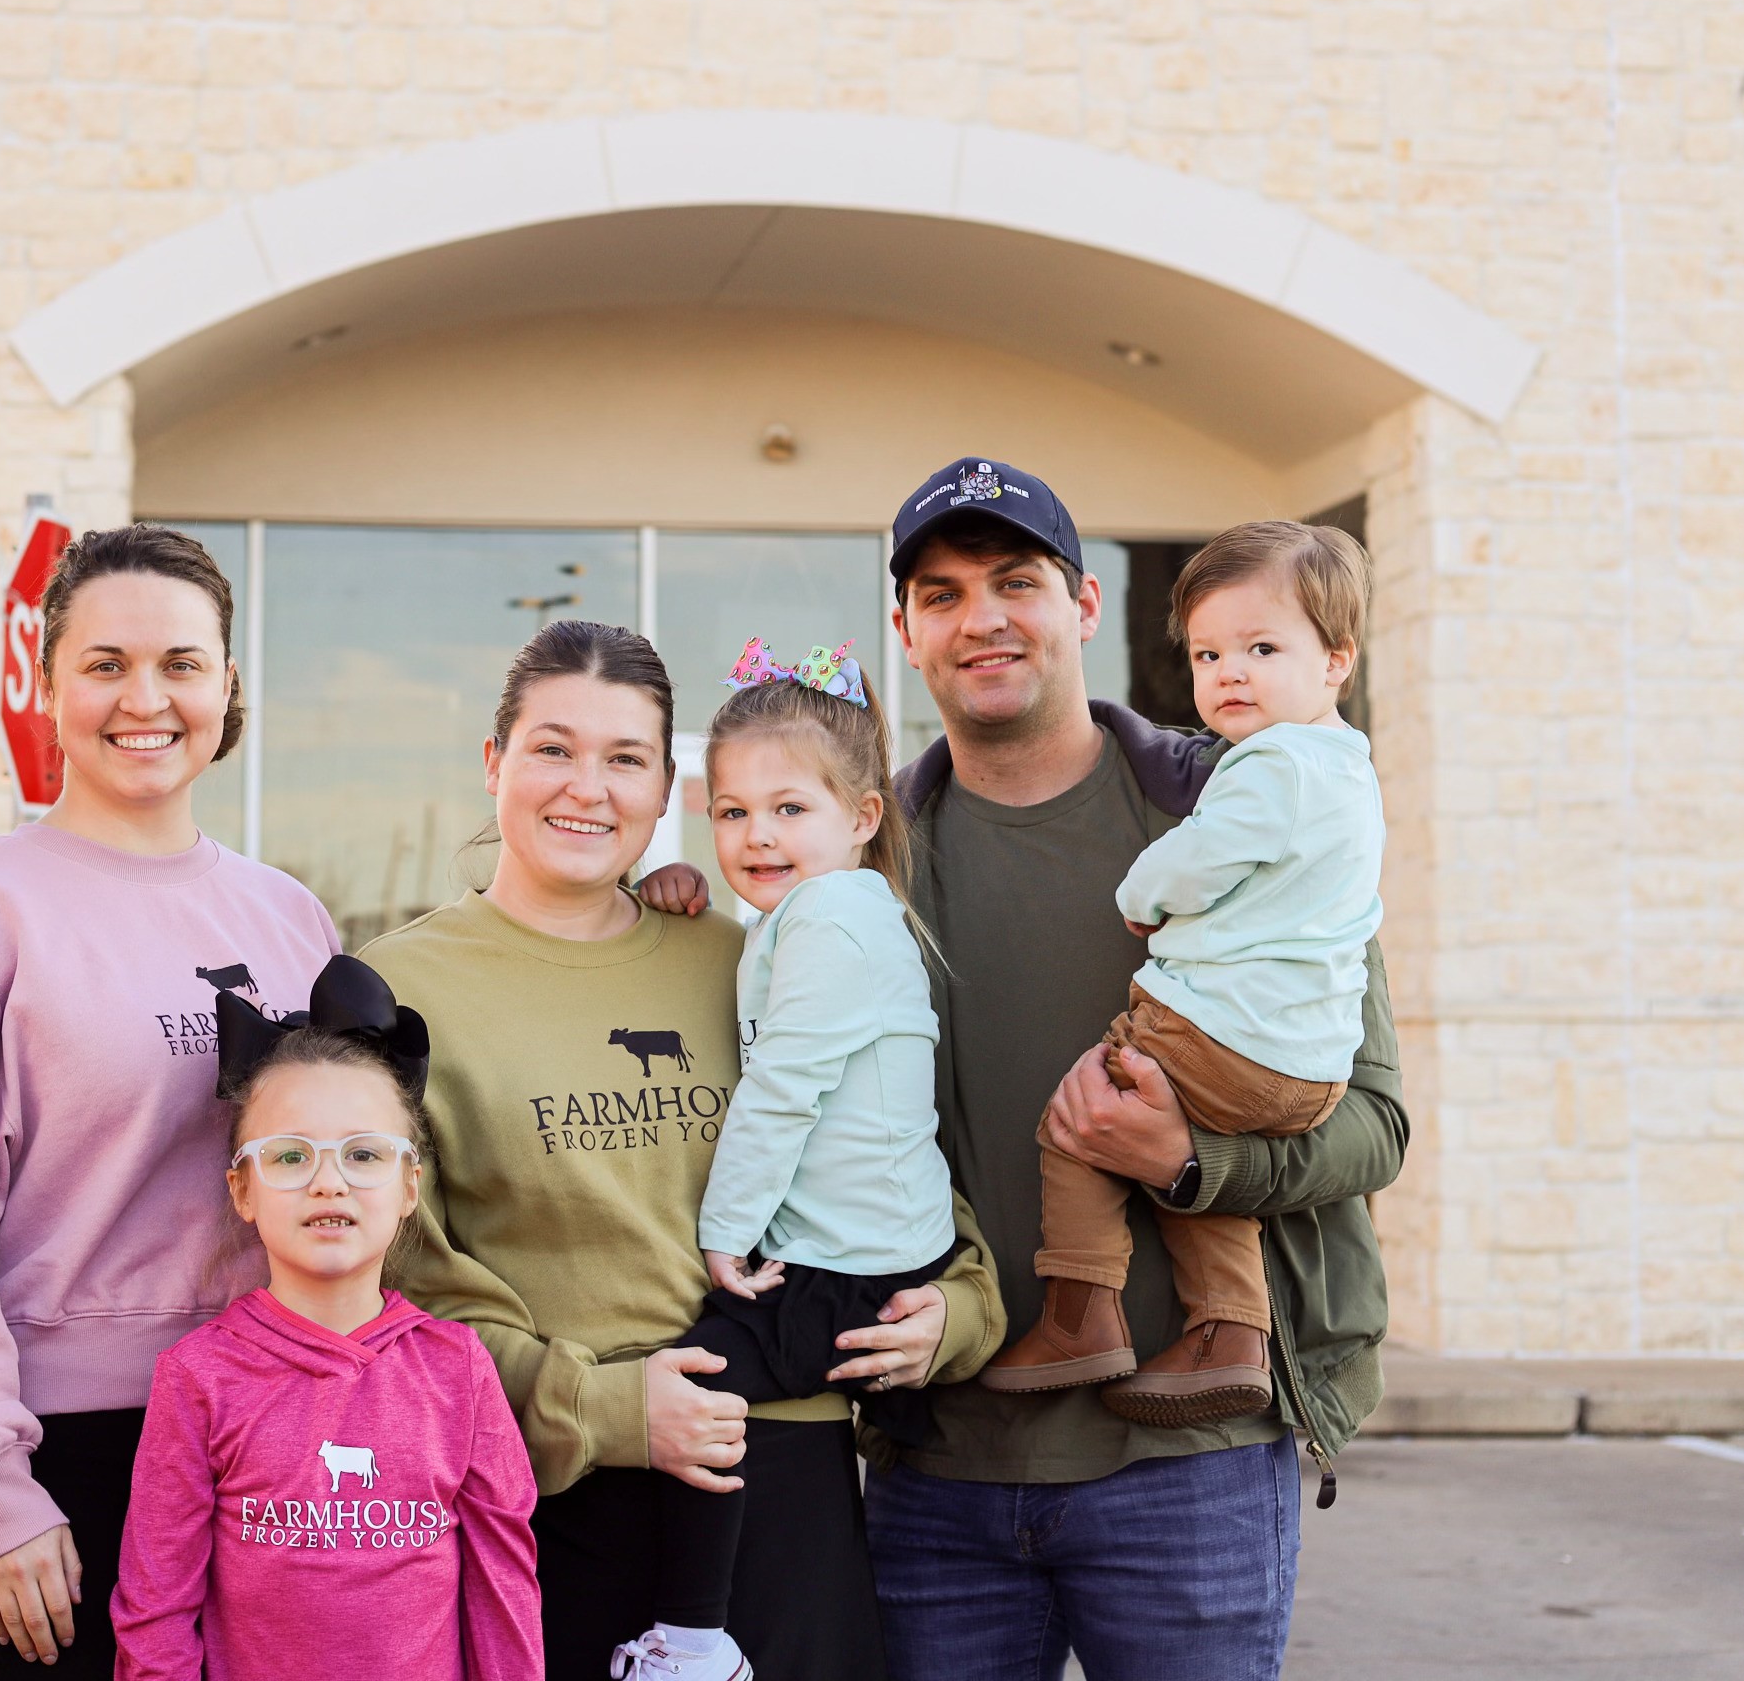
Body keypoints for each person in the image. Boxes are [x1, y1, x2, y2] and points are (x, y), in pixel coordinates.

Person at [359, 619, 1006, 1681]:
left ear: (666, 790)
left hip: (788, 1483)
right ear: (494, 762)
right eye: (553, 747)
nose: (588, 785)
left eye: (626, 758)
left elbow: (883, 1151)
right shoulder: (400, 989)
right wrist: (611, 1410)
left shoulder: (746, 949)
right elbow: (402, 1295)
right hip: (564, 1495)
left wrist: (959, 1310)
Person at [863, 459, 1405, 1681]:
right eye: (942, 594)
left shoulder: (1238, 803)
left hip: (1190, 1470)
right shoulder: (864, 857)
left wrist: (1194, 1163)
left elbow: (1373, 1121)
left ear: (1086, 604)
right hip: (937, 1468)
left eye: (1017, 580)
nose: (983, 616)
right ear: (905, 632)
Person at [0, 524, 343, 1677]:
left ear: (227, 686)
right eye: (106, 663)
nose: (144, 698)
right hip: (50, 1465)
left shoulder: (287, 920)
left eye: (181, 663)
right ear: (47, 682)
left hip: (263, 1437)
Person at [979, 521, 1382, 1425]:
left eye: (1261, 648)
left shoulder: (1266, 765)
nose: (1229, 673)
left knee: (1081, 1123)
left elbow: (1198, 860)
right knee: (1192, 1160)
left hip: (1216, 1029)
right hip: (1304, 1070)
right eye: (1208, 654)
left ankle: (1081, 1313)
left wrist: (1142, 892)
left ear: (1335, 664)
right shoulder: (1349, 773)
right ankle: (1231, 1331)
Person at [640, 638, 962, 1681]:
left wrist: (724, 1232)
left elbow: (784, 1086)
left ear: (863, 815)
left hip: (854, 1260)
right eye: (731, 812)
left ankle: (688, 1638)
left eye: (789, 809)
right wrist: (681, 886)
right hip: (874, 1237)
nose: (757, 834)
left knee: (702, 1386)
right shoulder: (828, 909)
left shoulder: (830, 915)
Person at [108, 956, 541, 1681]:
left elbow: (503, 1591)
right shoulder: (197, 1377)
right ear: (243, 1190)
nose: (328, 1181)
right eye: (290, 1156)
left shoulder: (458, 1368)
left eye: (363, 1154)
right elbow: (155, 1610)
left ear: (409, 1186)